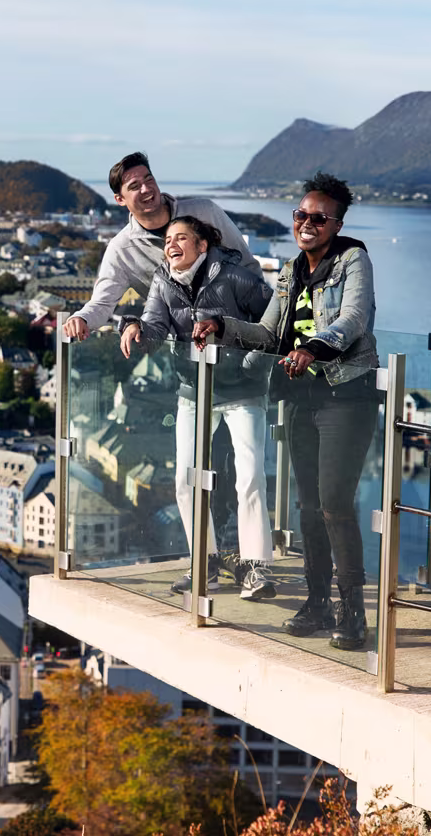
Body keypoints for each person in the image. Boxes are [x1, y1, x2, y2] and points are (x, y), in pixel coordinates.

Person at [195, 172, 377, 650]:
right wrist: (221, 325)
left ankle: (352, 613)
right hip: (300, 399)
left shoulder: (353, 259)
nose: (307, 223)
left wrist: (316, 347)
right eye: (300, 215)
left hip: (346, 396)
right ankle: (317, 603)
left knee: (336, 505)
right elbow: (269, 334)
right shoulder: (291, 270)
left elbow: (353, 318)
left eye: (319, 217)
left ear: (337, 224)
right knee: (308, 507)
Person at [119, 217, 276, 599]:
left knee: (250, 476)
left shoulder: (236, 277)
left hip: (242, 389)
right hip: (194, 388)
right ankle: (203, 564)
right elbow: (156, 326)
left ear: (202, 245)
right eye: (168, 239)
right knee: (186, 479)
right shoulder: (163, 280)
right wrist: (135, 326)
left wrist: (250, 360)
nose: (171, 244)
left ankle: (258, 568)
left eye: (181, 238)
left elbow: (274, 323)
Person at [61, 152, 249, 341]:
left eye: (148, 179)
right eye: (134, 186)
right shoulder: (122, 249)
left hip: (241, 340)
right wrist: (81, 317)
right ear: (120, 199)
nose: (146, 189)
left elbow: (248, 265)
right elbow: (103, 303)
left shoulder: (205, 211)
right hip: (187, 353)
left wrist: (261, 332)